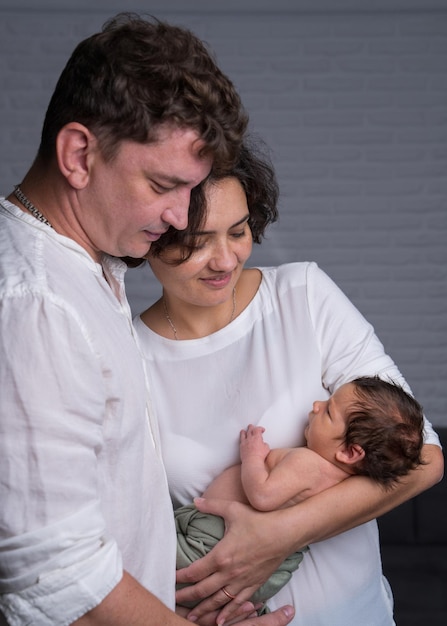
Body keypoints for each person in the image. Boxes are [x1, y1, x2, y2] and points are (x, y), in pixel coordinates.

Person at [0, 14, 296, 626]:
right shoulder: (37, 305)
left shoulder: (88, 268)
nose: (181, 217)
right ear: (79, 154)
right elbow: (56, 580)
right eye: (164, 184)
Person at [134, 141, 444, 626]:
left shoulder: (302, 295)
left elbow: (423, 456)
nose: (225, 260)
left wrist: (276, 535)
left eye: (238, 232)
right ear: (152, 235)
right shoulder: (127, 354)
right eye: (197, 242)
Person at [176, 376, 425, 609]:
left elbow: (262, 496)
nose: (317, 405)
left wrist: (252, 456)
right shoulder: (340, 481)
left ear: (349, 453)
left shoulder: (309, 464)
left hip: (215, 540)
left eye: (329, 411)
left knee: (150, 562)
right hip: (264, 571)